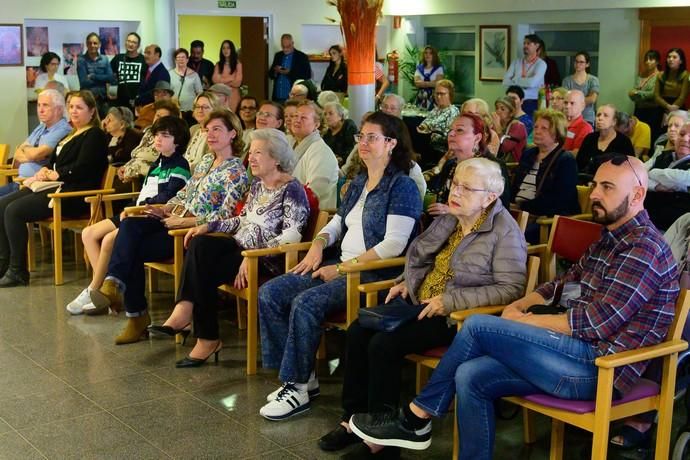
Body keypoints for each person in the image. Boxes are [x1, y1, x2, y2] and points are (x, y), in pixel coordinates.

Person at [347, 155, 679, 460]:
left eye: (608, 187)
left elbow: (593, 323)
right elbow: (562, 284)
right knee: (470, 374)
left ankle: (415, 418)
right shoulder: (610, 238)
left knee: (477, 325)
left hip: (599, 368)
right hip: (570, 352)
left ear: (637, 195)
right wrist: (524, 302)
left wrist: (521, 321)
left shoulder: (643, 249)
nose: (594, 194)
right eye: (594, 184)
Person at [318, 158, 527, 456]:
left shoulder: (505, 232)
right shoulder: (452, 218)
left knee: (383, 344)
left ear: (490, 197)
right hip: (419, 302)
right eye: (455, 184)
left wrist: (449, 301)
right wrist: (405, 281)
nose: (455, 192)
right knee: (357, 331)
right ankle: (352, 419)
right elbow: (421, 257)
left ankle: (381, 440)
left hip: (455, 317)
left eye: (467, 188)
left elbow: (511, 289)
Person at [257, 111, 422, 420]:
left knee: (306, 302)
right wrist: (318, 244)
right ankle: (303, 379)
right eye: (361, 136)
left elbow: (394, 246)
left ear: (391, 144)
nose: (363, 142)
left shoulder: (402, 187)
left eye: (372, 137)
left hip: (373, 275)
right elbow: (337, 221)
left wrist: (345, 269)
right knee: (272, 292)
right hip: (340, 265)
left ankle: (294, 387)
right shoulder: (360, 181)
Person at [147, 128, 311, 366]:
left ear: (276, 159)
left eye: (258, 153)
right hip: (241, 248)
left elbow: (292, 236)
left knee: (203, 268)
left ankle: (200, 330)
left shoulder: (292, 189)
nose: (251, 158)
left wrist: (252, 255)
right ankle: (193, 323)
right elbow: (243, 220)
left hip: (267, 259)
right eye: (251, 153)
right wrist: (208, 225)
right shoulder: (258, 185)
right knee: (200, 244)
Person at [89, 109, 249, 344]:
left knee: (129, 244)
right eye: (207, 130)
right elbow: (185, 194)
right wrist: (164, 208)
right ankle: (120, 293)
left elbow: (224, 216)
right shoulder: (206, 161)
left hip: (195, 234)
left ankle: (129, 305)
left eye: (217, 129)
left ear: (233, 134)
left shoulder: (236, 171)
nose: (210, 135)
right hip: (175, 221)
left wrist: (184, 221)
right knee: (130, 226)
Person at [66, 116, 191, 315]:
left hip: (151, 217)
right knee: (88, 233)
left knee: (109, 240)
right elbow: (144, 193)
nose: (158, 139)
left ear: (178, 140)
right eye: (156, 135)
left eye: (165, 136)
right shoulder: (157, 163)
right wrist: (130, 208)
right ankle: (102, 290)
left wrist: (137, 210)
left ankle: (98, 290)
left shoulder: (179, 166)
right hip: (138, 211)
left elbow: (168, 197)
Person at [0, 90, 108, 287]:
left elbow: (84, 166)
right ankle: (4, 263)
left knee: (14, 211)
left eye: (79, 108)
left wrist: (59, 173)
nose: (74, 112)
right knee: (2, 205)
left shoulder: (95, 135)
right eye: (71, 107)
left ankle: (18, 270)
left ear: (92, 111)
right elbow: (54, 162)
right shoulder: (72, 134)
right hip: (54, 186)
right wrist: (45, 170)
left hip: (73, 194)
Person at [512, 109, 579, 243]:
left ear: (556, 134)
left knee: (509, 237)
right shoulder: (529, 154)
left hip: (546, 220)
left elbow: (560, 201)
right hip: (519, 213)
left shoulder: (565, 160)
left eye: (544, 128)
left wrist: (522, 206)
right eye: (536, 127)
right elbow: (515, 186)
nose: (537, 131)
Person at [427, 113, 511, 213]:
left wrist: (453, 211)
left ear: (477, 138)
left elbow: (499, 211)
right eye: (450, 130)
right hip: (445, 224)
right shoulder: (450, 165)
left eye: (459, 130)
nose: (451, 134)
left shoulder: (493, 168)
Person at [0, 90, 72, 197]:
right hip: (19, 182)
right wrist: (31, 153)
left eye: (45, 105)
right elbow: (18, 152)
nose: (40, 110)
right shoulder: (42, 126)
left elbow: (36, 154)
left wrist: (29, 152)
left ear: (59, 109)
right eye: (38, 105)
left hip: (36, 186)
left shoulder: (63, 129)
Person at [290, 101, 339, 209]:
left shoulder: (321, 151)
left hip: (312, 215)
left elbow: (314, 192)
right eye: (295, 116)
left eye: (303, 117)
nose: (297, 120)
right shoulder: (290, 144)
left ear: (316, 125)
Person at [119, 99, 181, 183]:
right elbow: (137, 155)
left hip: (140, 181)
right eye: (157, 115)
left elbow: (158, 166)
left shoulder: (170, 140)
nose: (158, 120)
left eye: (162, 118)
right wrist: (125, 167)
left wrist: (134, 174)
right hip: (127, 176)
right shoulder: (149, 131)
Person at [644, 121, 690, 230]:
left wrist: (652, 172)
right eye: (682, 134)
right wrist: (655, 186)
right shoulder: (662, 155)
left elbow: (680, 180)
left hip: (671, 230)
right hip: (644, 219)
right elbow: (637, 174)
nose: (685, 139)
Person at [577, 105, 635, 179]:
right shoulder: (590, 138)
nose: (600, 118)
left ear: (614, 121)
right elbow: (579, 164)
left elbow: (630, 169)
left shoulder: (624, 142)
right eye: (598, 115)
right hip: (585, 180)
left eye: (605, 116)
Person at [416, 80, 460, 168]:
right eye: (436, 94)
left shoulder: (452, 111)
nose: (439, 97)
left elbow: (447, 134)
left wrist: (428, 129)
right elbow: (423, 125)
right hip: (427, 145)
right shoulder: (436, 110)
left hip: (440, 150)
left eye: (442, 94)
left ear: (450, 95)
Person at [502, 34, 547, 119]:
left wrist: (515, 79)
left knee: (526, 128)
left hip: (530, 103)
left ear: (537, 45)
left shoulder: (541, 64)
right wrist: (524, 81)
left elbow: (532, 83)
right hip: (513, 101)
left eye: (528, 43)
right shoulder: (516, 62)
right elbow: (505, 81)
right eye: (524, 43)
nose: (525, 46)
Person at [77, 33, 116, 117]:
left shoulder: (104, 59)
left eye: (95, 43)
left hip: (103, 99)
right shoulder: (81, 60)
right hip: (88, 100)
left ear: (99, 44)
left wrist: (93, 76)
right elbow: (84, 82)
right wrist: (103, 79)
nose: (92, 45)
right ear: (87, 44)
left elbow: (110, 78)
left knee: (105, 125)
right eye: (90, 43)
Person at [654, 48, 689, 133]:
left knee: (677, 132)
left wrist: (672, 109)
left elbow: (683, 96)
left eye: (674, 57)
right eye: (669, 57)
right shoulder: (660, 75)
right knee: (660, 132)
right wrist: (667, 107)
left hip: (678, 107)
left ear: (681, 61)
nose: (670, 59)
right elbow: (656, 96)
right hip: (662, 106)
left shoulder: (685, 75)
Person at [629, 49, 662, 142]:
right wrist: (634, 93)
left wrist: (637, 93)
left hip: (652, 111)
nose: (648, 62)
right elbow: (632, 94)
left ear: (657, 61)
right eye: (646, 59)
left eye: (651, 59)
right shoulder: (641, 76)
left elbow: (654, 94)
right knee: (637, 134)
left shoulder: (660, 76)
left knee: (650, 135)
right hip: (639, 109)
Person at [269, 34, 312, 103]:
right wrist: (276, 71)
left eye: (288, 46)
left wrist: (289, 72)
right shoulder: (278, 55)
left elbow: (307, 75)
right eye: (283, 46)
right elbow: (270, 74)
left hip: (294, 97)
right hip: (277, 95)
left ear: (292, 43)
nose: (285, 49)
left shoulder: (302, 57)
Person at [185, 92, 221, 171]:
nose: (200, 110)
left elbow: (209, 163)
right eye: (197, 107)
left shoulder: (217, 133)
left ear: (215, 110)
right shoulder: (193, 129)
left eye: (205, 107)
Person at [109, 32, 146, 110]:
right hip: (120, 102)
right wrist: (109, 91)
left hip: (138, 103)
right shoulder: (118, 58)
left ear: (138, 45)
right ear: (125, 42)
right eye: (129, 41)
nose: (130, 44)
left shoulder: (144, 60)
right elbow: (108, 75)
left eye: (134, 42)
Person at [561, 51, 600, 126]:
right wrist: (580, 101)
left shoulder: (593, 80)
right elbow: (565, 99)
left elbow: (592, 99)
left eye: (581, 62)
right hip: (570, 117)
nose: (578, 64)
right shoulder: (566, 80)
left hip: (587, 118)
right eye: (576, 61)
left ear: (587, 64)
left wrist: (573, 101)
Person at [169, 47, 203, 125]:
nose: (181, 59)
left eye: (183, 57)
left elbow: (200, 94)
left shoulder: (194, 75)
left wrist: (197, 109)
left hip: (190, 112)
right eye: (178, 57)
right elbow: (167, 93)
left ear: (187, 59)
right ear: (175, 60)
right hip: (175, 111)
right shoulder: (169, 74)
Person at [491, 96, 527, 163]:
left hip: (512, 166)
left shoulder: (518, 126)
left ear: (511, 113)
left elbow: (505, 148)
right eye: (497, 108)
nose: (498, 111)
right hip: (496, 162)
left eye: (502, 109)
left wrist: (498, 129)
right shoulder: (495, 125)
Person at [212, 40, 243, 113]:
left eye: (228, 48)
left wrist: (221, 81)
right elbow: (215, 80)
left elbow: (237, 83)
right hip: (220, 96)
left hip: (233, 96)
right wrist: (231, 78)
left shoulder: (238, 64)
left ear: (232, 49)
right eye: (223, 48)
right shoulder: (218, 64)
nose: (226, 50)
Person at [563, 89, 593, 156]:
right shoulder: (558, 123)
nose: (567, 106)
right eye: (565, 103)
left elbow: (577, 153)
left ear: (582, 106)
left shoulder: (585, 128)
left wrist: (554, 156)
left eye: (572, 103)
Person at [414, 46, 445, 111]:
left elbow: (437, 83)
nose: (427, 55)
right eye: (426, 53)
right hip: (421, 96)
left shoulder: (439, 68)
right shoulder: (419, 68)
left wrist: (423, 83)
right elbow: (417, 83)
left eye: (430, 53)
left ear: (434, 55)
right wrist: (431, 83)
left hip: (434, 97)